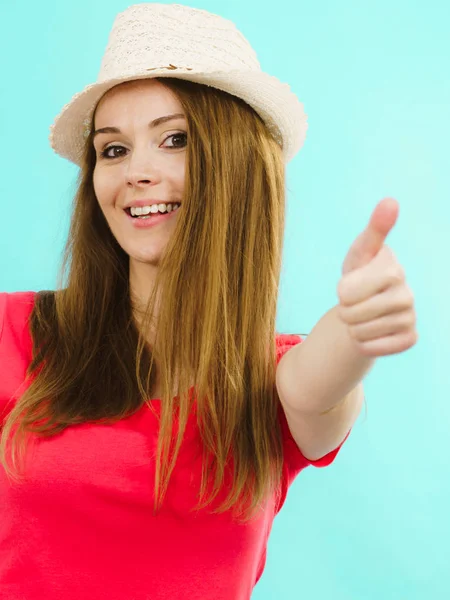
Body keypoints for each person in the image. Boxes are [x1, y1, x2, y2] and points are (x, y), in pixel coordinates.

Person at [1, 3, 418, 599]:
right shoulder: (13, 332)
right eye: (112, 150)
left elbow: (319, 383)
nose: (136, 172)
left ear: (237, 165)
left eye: (174, 139)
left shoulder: (275, 383)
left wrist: (356, 327)